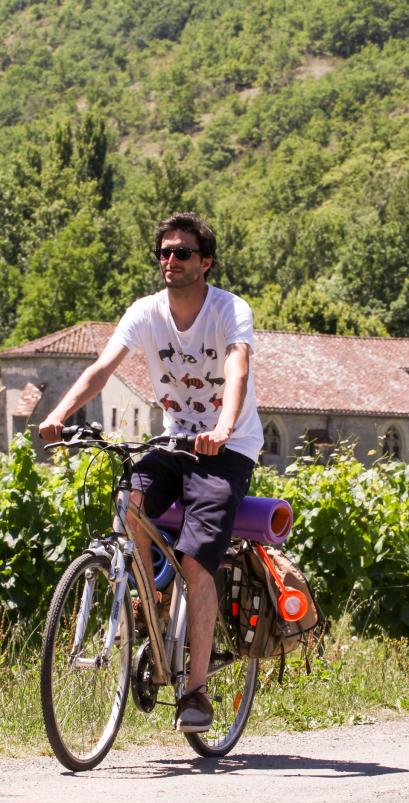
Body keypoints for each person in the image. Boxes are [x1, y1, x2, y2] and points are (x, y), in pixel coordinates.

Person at [39, 212, 264, 733]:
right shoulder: (145, 312)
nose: (170, 260)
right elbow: (102, 368)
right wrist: (60, 416)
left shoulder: (229, 309)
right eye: (164, 252)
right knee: (130, 503)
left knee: (194, 563)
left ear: (205, 262)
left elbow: (237, 367)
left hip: (226, 449)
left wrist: (224, 426)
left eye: (182, 252)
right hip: (171, 441)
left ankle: (196, 690)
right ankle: (148, 602)